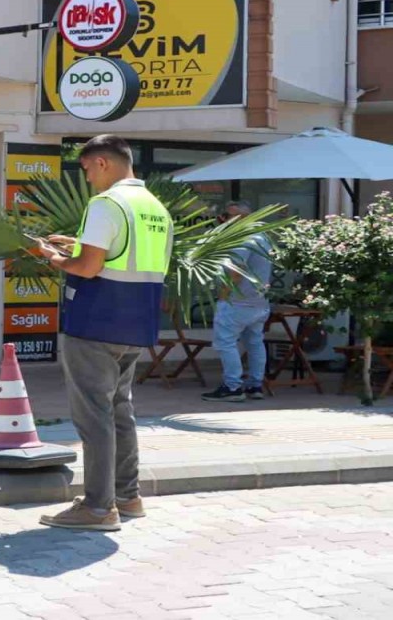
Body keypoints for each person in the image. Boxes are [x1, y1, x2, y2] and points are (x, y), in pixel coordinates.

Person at [34, 135, 173, 531]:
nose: (87, 180)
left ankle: (97, 507)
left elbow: (89, 267)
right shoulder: (155, 208)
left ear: (100, 163)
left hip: (95, 321)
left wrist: (53, 256)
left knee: (94, 417)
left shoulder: (106, 203)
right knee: (119, 411)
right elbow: (123, 255)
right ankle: (127, 497)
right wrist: (77, 243)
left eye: (85, 170)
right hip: (136, 322)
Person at [202, 201, 273, 403]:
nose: (221, 220)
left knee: (226, 343)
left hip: (237, 302)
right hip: (259, 302)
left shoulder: (241, 239)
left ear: (240, 218)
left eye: (226, 215)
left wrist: (223, 295)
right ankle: (255, 385)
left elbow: (235, 273)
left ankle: (233, 387)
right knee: (255, 343)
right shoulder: (263, 237)